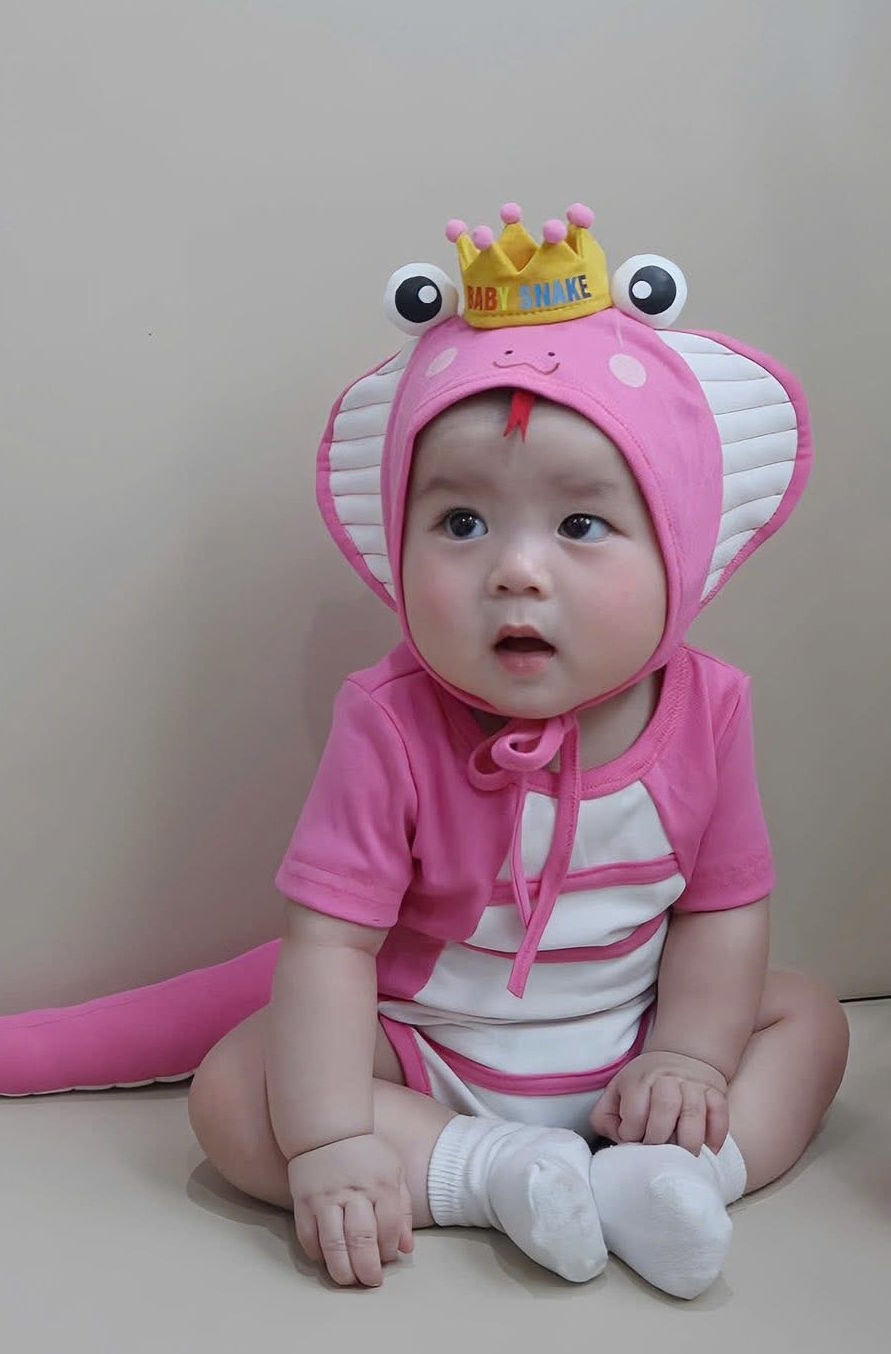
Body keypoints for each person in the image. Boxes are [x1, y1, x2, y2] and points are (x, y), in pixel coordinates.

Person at [186, 201, 850, 1299]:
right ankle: (492, 1171)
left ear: (678, 548)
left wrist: (685, 1056)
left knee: (808, 1020)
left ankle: (673, 1175)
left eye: (581, 526)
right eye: (461, 524)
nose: (516, 571)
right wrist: (330, 1141)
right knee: (235, 1092)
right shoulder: (388, 719)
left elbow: (721, 911)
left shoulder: (712, 707)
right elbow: (332, 946)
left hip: (634, 1047)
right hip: (429, 1057)